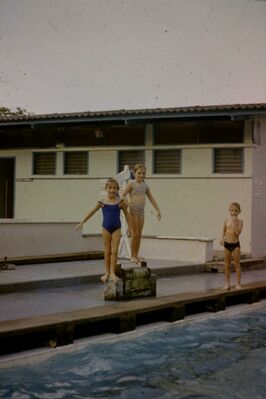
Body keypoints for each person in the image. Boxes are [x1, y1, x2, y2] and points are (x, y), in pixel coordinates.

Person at [76, 178, 130, 283]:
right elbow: (91, 212)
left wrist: (130, 228)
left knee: (114, 251)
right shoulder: (102, 202)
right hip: (105, 228)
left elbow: (127, 216)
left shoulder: (120, 202)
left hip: (116, 228)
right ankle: (106, 273)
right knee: (107, 251)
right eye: (109, 188)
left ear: (118, 189)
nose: (112, 190)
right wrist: (83, 222)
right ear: (106, 189)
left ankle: (112, 273)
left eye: (114, 188)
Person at [122, 163, 161, 263]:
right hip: (133, 211)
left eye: (143, 173)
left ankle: (136, 255)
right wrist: (129, 204)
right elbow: (122, 196)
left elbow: (151, 198)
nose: (141, 175)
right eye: (139, 173)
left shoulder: (145, 185)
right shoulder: (131, 183)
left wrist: (158, 209)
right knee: (134, 234)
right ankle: (132, 256)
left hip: (141, 212)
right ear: (134, 173)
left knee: (139, 234)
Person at [220, 202, 243, 290]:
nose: (233, 212)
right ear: (229, 211)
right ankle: (227, 283)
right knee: (227, 265)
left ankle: (238, 283)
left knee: (237, 264)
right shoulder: (226, 221)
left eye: (236, 211)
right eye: (232, 210)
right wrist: (222, 238)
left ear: (239, 211)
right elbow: (223, 231)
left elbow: (238, 233)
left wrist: (234, 224)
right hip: (227, 244)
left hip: (235, 245)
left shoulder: (240, 222)